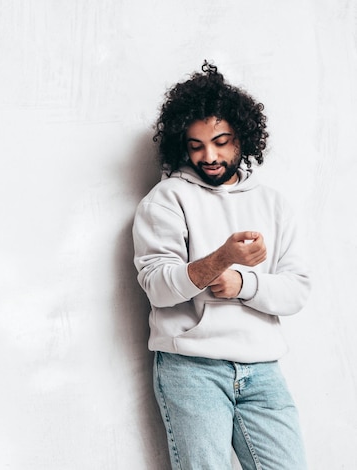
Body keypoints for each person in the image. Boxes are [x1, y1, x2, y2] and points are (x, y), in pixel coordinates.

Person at [132, 62, 310, 469]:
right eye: (196, 146)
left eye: (221, 141)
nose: (209, 156)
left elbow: (297, 289)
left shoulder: (274, 204)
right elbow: (157, 286)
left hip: (263, 368)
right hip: (192, 368)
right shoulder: (167, 199)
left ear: (242, 139)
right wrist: (221, 259)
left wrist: (243, 283)